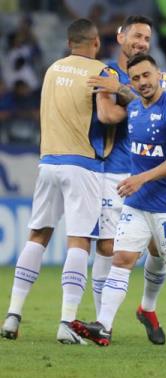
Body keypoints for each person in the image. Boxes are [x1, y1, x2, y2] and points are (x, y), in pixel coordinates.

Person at [0, 19, 122, 344]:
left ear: (70, 43)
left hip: (48, 162)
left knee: (37, 234)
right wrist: (131, 104)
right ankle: (66, 322)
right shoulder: (102, 71)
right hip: (81, 164)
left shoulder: (52, 69)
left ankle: (13, 315)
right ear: (95, 42)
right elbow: (109, 116)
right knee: (79, 240)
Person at [73, 54, 166, 347]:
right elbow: (125, 97)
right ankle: (104, 326)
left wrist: (140, 178)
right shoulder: (135, 110)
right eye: (136, 78)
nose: (142, 82)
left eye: (146, 76)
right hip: (137, 203)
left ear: (159, 75)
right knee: (122, 258)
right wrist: (114, 88)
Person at [85, 15, 166, 346]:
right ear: (121, 36)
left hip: (152, 174)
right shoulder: (107, 72)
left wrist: (125, 93)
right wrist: (138, 104)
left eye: (146, 38)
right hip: (116, 171)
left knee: (161, 250)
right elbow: (107, 115)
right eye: (136, 36)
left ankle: (147, 308)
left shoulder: (158, 75)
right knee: (111, 247)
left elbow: (159, 105)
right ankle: (102, 323)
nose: (141, 42)